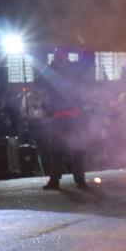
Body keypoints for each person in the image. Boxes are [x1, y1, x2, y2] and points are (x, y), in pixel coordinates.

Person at [38, 47, 87, 190]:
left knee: (73, 148)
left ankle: (74, 179)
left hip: (70, 115)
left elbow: (39, 83)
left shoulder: (68, 69)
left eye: (58, 55)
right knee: (60, 149)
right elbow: (39, 83)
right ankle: (69, 179)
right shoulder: (57, 69)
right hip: (64, 115)